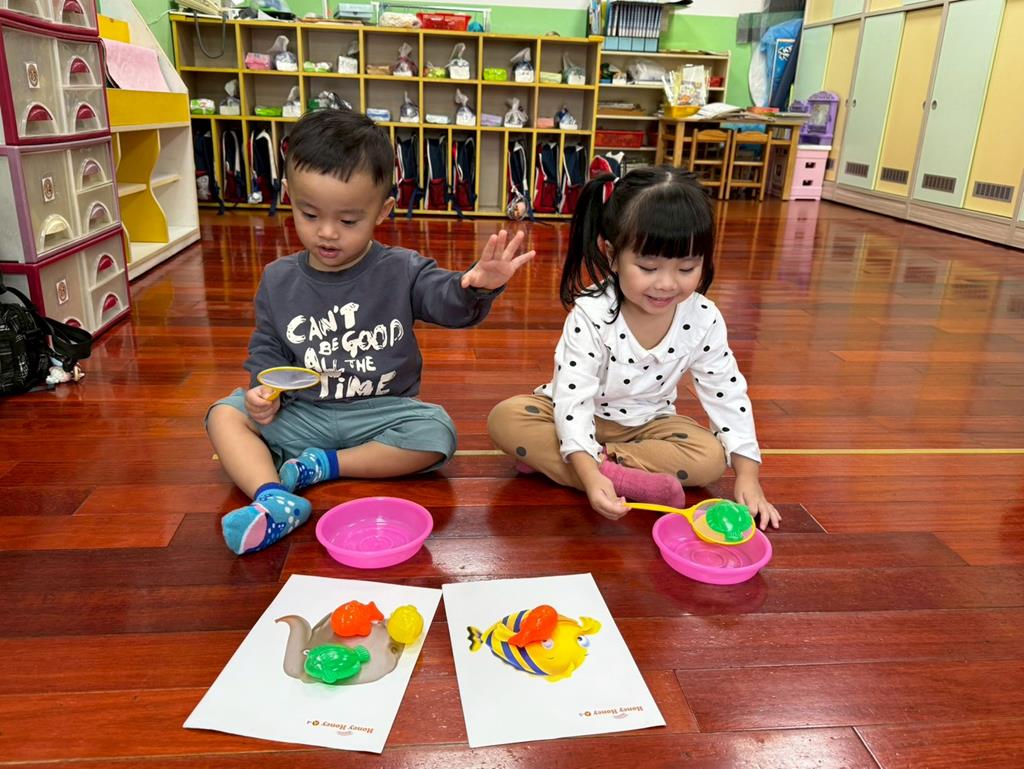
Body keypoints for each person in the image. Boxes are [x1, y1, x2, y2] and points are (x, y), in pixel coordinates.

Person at [207, 109, 534, 555]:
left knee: (437, 432)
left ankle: (322, 466)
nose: (327, 233)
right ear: (289, 197)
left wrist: (473, 286)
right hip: (304, 411)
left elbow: (447, 302)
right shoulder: (278, 277)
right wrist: (262, 391)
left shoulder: (401, 268)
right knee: (224, 415)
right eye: (309, 213)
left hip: (382, 414)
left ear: (382, 211)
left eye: (348, 221)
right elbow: (267, 343)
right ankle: (273, 498)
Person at [488, 167, 779, 529]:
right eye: (648, 267)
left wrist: (748, 476)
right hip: (573, 415)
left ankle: (569, 464)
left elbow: (727, 394)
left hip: (647, 427)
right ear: (611, 253)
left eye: (687, 268)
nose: (667, 284)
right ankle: (607, 475)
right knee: (506, 418)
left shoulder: (703, 318)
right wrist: (589, 474)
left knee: (711, 459)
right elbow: (572, 401)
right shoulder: (591, 313)